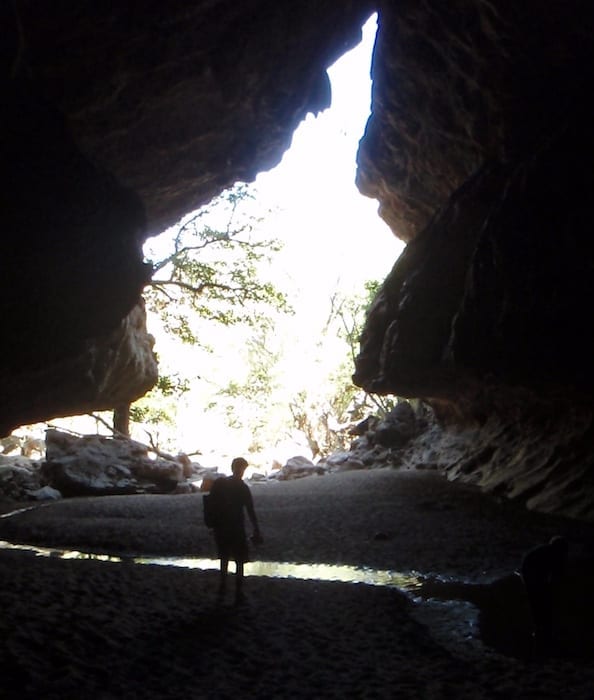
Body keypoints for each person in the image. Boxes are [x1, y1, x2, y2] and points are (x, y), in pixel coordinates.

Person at [210, 457, 262, 604]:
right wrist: (256, 529)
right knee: (239, 560)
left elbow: (210, 504)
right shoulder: (242, 487)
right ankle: (238, 592)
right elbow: (250, 510)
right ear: (241, 469)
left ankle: (223, 587)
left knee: (224, 558)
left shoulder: (220, 484)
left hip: (221, 527)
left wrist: (213, 524)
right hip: (236, 527)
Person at [520, 535, 568, 650]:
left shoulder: (544, 551)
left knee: (537, 600)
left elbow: (556, 574)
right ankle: (542, 627)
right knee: (539, 600)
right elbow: (557, 574)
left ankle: (540, 626)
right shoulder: (552, 554)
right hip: (532, 575)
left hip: (531, 574)